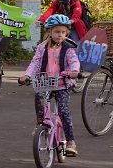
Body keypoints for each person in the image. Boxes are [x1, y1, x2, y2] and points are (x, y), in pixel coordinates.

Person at [19, 14, 81, 156]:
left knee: (64, 112)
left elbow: (74, 61)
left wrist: (74, 71)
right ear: (49, 32)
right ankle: (40, 123)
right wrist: (27, 75)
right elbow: (35, 62)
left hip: (62, 84)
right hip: (45, 82)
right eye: (57, 32)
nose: (60, 35)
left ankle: (71, 141)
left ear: (67, 33)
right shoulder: (42, 47)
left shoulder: (69, 47)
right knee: (39, 98)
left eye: (63, 32)